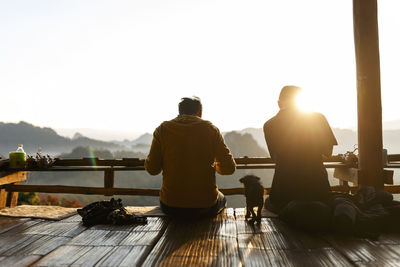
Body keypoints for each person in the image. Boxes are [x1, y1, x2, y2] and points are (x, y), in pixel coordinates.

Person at [145, 97, 236, 218]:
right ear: (200, 114)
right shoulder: (211, 130)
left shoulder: (162, 130)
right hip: (205, 206)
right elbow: (229, 168)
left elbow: (152, 169)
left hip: (170, 206)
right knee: (222, 198)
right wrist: (213, 165)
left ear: (179, 113)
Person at [263, 85, 338, 215]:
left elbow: (275, 158)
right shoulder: (318, 118)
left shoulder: (269, 125)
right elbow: (328, 152)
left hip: (284, 195)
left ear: (279, 103)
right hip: (318, 191)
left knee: (269, 202)